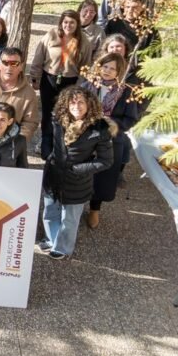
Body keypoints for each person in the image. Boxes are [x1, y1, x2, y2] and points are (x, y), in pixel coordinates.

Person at [40, 87, 114, 259]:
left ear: (89, 104)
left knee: (70, 218)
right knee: (50, 210)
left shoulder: (100, 128)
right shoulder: (58, 119)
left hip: (77, 180)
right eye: (72, 102)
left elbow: (105, 161)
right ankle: (51, 239)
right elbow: (47, 137)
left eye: (81, 102)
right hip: (54, 174)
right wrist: (47, 154)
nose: (76, 106)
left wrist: (77, 169)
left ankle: (63, 248)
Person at [79, 53, 139, 230]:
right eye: (105, 66)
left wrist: (111, 124)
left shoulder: (126, 91)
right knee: (81, 173)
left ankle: (94, 209)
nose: (107, 71)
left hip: (111, 139)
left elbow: (131, 119)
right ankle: (75, 206)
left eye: (112, 68)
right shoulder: (87, 86)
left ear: (119, 71)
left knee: (102, 178)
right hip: (85, 137)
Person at [30, 10, 93, 157]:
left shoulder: (84, 41)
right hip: (49, 79)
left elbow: (86, 67)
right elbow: (39, 57)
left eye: (72, 22)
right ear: (61, 23)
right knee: (47, 112)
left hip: (70, 81)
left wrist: (79, 85)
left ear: (77, 24)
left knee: (65, 113)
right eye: (65, 22)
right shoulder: (51, 35)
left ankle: (61, 143)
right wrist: (35, 77)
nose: (68, 25)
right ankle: (46, 142)